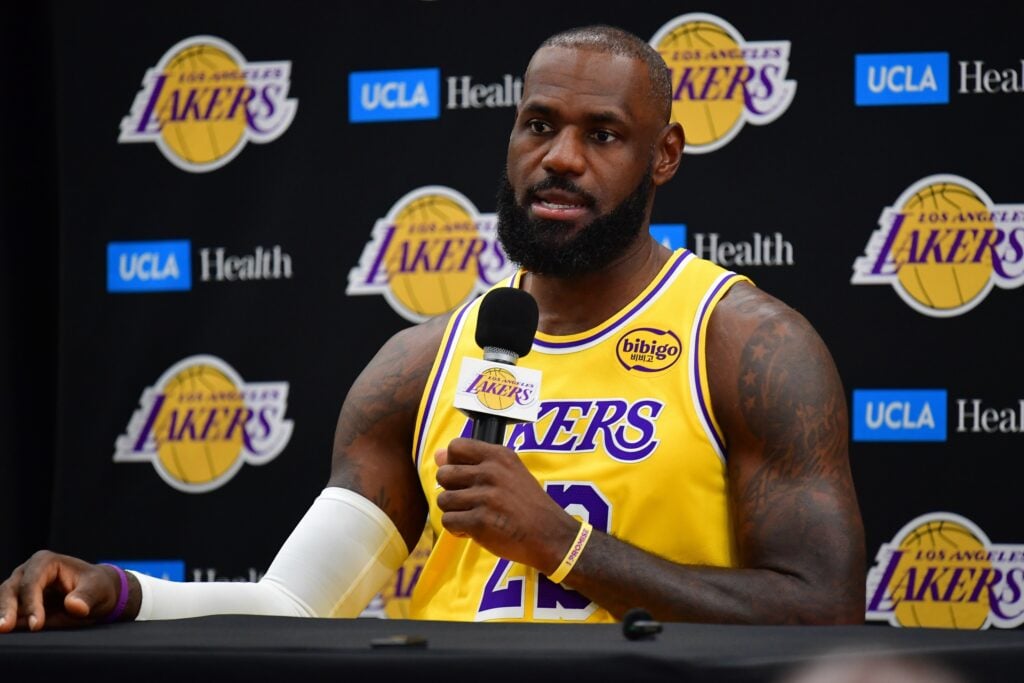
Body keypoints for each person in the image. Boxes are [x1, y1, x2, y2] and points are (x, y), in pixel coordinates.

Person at [0, 24, 866, 630]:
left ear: (664, 156)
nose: (561, 157)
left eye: (603, 134)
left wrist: (564, 546)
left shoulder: (745, 344)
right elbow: (298, 606)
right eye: (539, 125)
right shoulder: (420, 363)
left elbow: (822, 610)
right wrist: (116, 591)